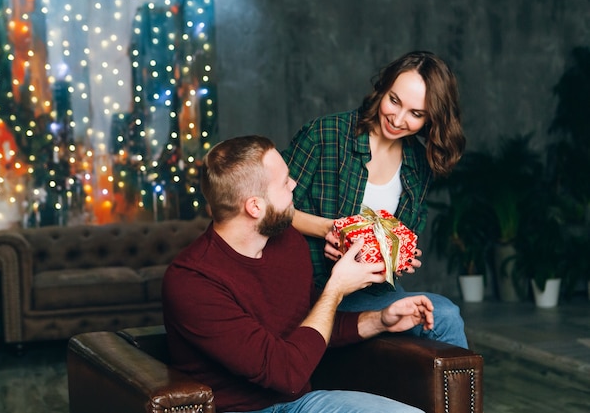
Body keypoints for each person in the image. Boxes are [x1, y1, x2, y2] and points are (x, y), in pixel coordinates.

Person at [162, 135, 434, 413]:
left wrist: (381, 320)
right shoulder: (192, 282)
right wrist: (336, 287)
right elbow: (287, 374)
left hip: (298, 404)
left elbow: (310, 325)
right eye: (284, 182)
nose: (294, 185)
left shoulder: (287, 241)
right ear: (255, 206)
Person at [281, 51, 468, 348]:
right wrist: (330, 230)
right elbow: (269, 208)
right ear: (382, 88)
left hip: (372, 293)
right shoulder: (325, 135)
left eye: (416, 114)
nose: (398, 119)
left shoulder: (419, 163)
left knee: (445, 315)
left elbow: (398, 237)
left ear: (431, 119)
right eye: (394, 100)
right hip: (314, 290)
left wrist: (398, 258)